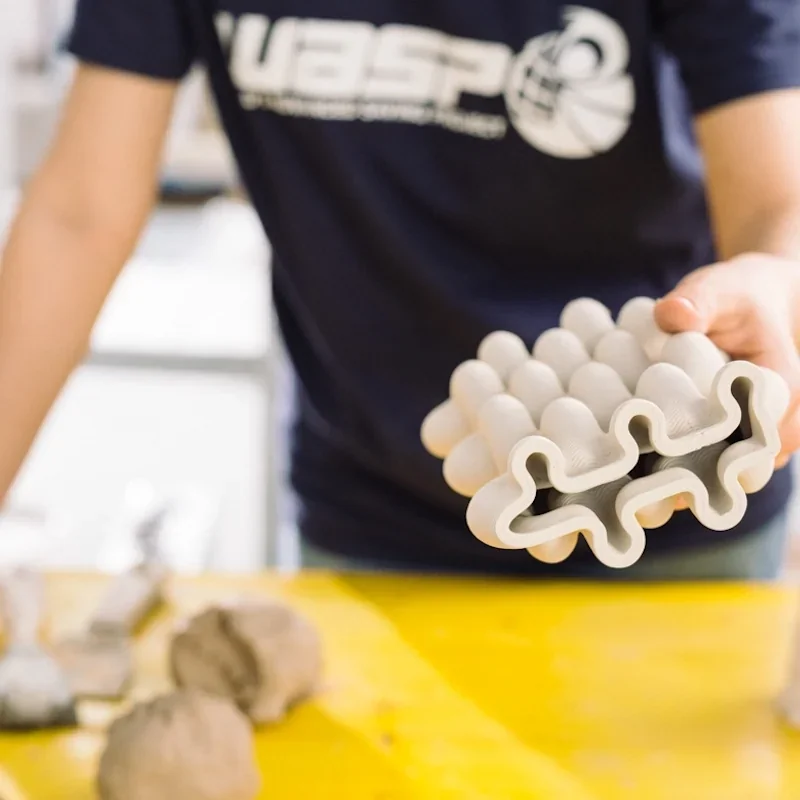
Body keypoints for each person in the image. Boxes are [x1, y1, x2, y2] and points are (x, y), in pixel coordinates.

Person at [2, 1, 800, 579]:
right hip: (374, 506)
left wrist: (776, 283)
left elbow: (777, 201)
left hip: (669, 496)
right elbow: (79, 213)